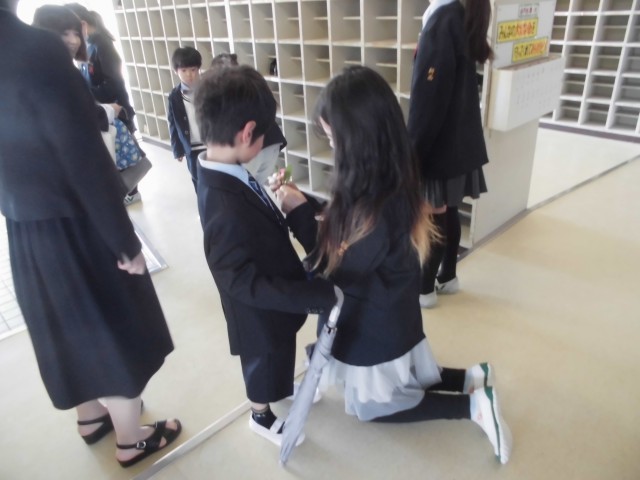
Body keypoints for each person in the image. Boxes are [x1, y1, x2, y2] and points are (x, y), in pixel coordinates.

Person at [274, 66, 512, 464]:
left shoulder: (378, 203)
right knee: (405, 375)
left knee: (375, 406)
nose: (332, 146)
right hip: (389, 308)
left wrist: (300, 216)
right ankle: (472, 377)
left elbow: (339, 269)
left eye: (334, 138)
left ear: (358, 139)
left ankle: (473, 406)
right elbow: (346, 230)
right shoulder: (383, 176)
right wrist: (309, 206)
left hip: (375, 318)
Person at [0, 1, 181, 468]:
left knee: (66, 328)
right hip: (76, 220)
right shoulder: (35, 48)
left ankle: (91, 417)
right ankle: (131, 439)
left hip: (23, 224)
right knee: (111, 327)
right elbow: (81, 153)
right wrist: (124, 241)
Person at [193, 64, 338, 447]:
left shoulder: (222, 168)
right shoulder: (223, 205)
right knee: (262, 360)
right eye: (263, 137)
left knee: (281, 347)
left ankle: (282, 389)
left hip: (273, 291)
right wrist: (306, 296)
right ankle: (261, 414)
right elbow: (238, 280)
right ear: (246, 133)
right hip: (256, 308)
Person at [408, 0, 492, 308]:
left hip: (439, 141)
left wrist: (413, 150)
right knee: (448, 208)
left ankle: (424, 290)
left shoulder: (442, 20)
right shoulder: (456, 14)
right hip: (458, 137)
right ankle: (448, 277)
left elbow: (428, 98)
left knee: (433, 212)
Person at [65, 2, 142, 206]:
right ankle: (126, 191)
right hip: (103, 109)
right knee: (118, 155)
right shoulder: (88, 46)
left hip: (115, 109)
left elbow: (114, 83)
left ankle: (131, 192)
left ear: (82, 24)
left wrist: (87, 94)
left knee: (125, 156)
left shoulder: (102, 45)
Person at [210, 52, 287, 186]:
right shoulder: (252, 82)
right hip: (272, 141)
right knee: (256, 186)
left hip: (254, 146)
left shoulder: (225, 94)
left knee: (246, 186)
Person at [167, 46, 205, 189]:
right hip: (191, 147)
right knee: (197, 179)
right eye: (184, 70)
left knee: (215, 177)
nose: (189, 75)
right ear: (176, 71)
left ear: (199, 68)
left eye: (193, 69)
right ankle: (202, 203)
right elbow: (172, 123)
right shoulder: (174, 96)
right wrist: (177, 149)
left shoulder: (209, 89)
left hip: (211, 143)